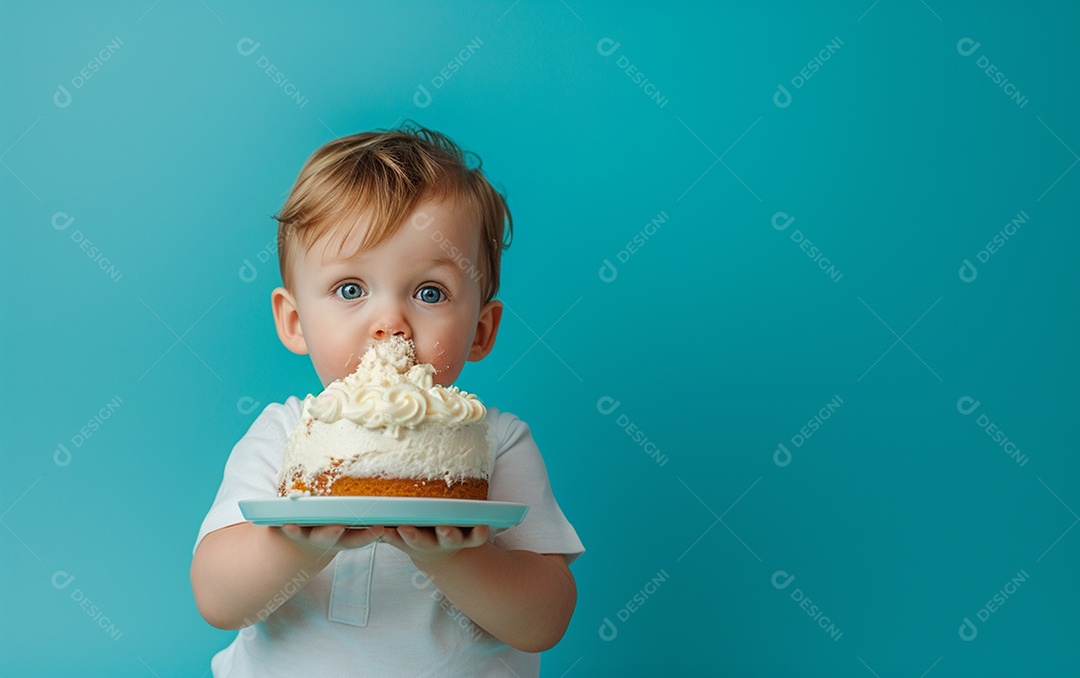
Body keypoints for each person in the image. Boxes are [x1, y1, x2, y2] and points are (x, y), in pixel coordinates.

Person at [190, 124, 583, 676]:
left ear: (480, 331)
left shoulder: (495, 442)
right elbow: (217, 599)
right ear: (295, 320)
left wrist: (459, 557)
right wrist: (298, 546)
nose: (390, 322)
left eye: (430, 292)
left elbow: (545, 619)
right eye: (350, 289)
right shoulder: (286, 434)